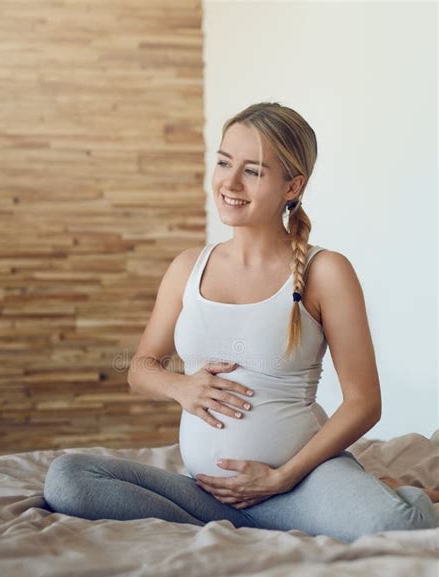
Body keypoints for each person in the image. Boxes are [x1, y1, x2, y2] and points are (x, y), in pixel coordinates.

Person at [44, 101, 438, 543]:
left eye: (252, 171)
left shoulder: (326, 271)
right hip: (207, 493)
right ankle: (271, 517)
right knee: (68, 479)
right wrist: (181, 386)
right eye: (224, 163)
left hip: (300, 481)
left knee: (396, 526)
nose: (230, 182)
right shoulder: (187, 268)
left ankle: (359, 501)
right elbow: (140, 367)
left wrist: (282, 477)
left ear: (293, 186)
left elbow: (364, 402)